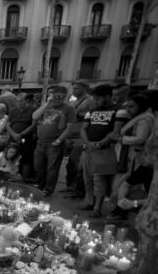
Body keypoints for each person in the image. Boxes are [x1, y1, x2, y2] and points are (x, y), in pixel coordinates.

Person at [79, 84, 128, 217]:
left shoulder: (119, 110)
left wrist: (100, 144)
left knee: (99, 180)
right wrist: (88, 143)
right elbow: (83, 128)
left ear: (108, 96)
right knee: (87, 177)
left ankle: (97, 207)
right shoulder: (92, 110)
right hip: (88, 148)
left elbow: (115, 131)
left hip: (104, 150)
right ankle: (89, 201)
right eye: (94, 98)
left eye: (98, 98)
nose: (95, 101)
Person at [33, 85, 76, 197]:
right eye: (55, 96)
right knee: (38, 166)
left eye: (61, 97)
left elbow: (70, 127)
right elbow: (35, 116)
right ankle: (40, 185)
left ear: (65, 97)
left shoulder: (69, 109)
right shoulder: (46, 106)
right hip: (41, 142)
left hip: (54, 143)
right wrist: (47, 104)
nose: (58, 99)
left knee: (52, 168)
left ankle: (48, 189)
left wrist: (59, 140)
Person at [63, 81, 93, 199]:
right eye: (73, 88)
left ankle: (77, 189)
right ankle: (69, 185)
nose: (74, 90)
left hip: (80, 137)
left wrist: (77, 114)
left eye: (77, 88)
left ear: (85, 88)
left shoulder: (89, 100)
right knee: (69, 164)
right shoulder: (72, 100)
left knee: (76, 163)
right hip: (70, 135)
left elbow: (91, 115)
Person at [6, 93, 37, 181]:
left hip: (25, 137)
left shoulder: (33, 109)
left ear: (26, 101)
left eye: (21, 101)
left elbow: (33, 125)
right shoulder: (13, 110)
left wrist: (21, 135)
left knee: (25, 157)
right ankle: (12, 176)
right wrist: (14, 134)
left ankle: (23, 178)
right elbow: (8, 124)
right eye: (17, 101)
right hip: (13, 136)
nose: (19, 103)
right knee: (12, 156)